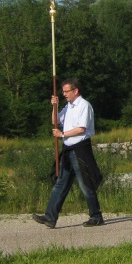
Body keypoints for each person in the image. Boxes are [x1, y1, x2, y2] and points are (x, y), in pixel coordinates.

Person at [33, 78, 104, 228]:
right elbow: (55, 121)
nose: (64, 94)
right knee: (61, 183)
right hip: (68, 150)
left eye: (66, 91)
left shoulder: (84, 106)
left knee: (85, 183)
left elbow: (81, 129)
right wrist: (55, 106)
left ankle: (96, 216)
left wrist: (62, 134)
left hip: (80, 149)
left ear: (75, 91)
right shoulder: (68, 106)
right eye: (63, 91)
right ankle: (50, 217)